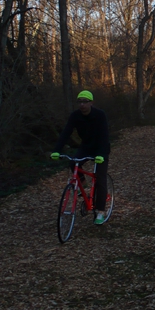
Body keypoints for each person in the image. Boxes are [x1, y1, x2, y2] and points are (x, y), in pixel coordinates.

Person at [50, 90, 111, 225]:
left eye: (85, 102)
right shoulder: (75, 116)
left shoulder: (100, 115)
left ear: (91, 103)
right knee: (73, 163)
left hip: (101, 148)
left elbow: (104, 135)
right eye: (80, 102)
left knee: (100, 179)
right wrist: (56, 151)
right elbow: (66, 132)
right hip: (86, 147)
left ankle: (101, 211)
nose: (82, 104)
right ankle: (83, 185)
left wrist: (101, 154)